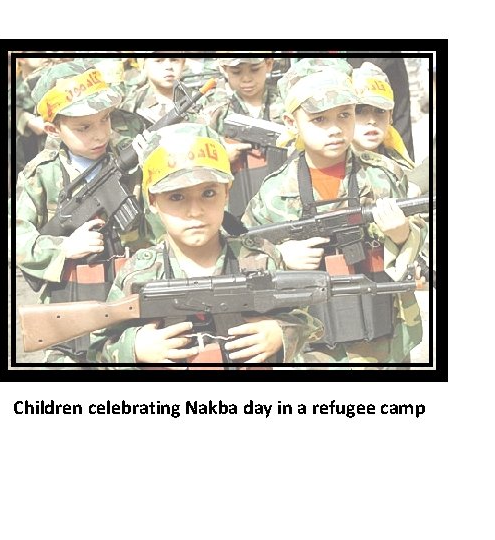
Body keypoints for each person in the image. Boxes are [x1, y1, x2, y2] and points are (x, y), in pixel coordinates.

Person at [88, 123, 322, 369]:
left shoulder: (259, 257)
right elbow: (99, 348)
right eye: (176, 196)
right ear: (153, 201)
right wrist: (134, 347)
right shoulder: (139, 273)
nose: (195, 211)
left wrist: (280, 333)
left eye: (208, 193)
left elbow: (305, 320)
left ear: (227, 192)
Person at [241, 58, 427, 369]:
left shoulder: (382, 175)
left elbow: (421, 238)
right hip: (312, 347)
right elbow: (242, 256)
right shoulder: (274, 192)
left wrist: (403, 235)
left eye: (345, 115)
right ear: (291, 123)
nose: (336, 129)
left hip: (385, 341)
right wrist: (281, 256)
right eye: (319, 119)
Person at [14, 61, 151, 365]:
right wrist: (63, 247)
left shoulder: (128, 163)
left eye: (105, 120)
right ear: (52, 129)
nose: (100, 134)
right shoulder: (43, 174)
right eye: (83, 127)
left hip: (128, 300)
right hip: (70, 305)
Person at [198, 57, 289, 218]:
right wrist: (219, 155)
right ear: (223, 69)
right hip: (232, 201)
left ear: (269, 64)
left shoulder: (284, 101)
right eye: (236, 71)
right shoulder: (214, 108)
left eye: (254, 69)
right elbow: (194, 153)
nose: (246, 78)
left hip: (281, 202)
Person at [120, 56, 189, 126]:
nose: (168, 66)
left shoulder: (198, 101)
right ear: (143, 65)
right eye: (158, 61)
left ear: (183, 64)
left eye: (174, 60)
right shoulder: (130, 106)